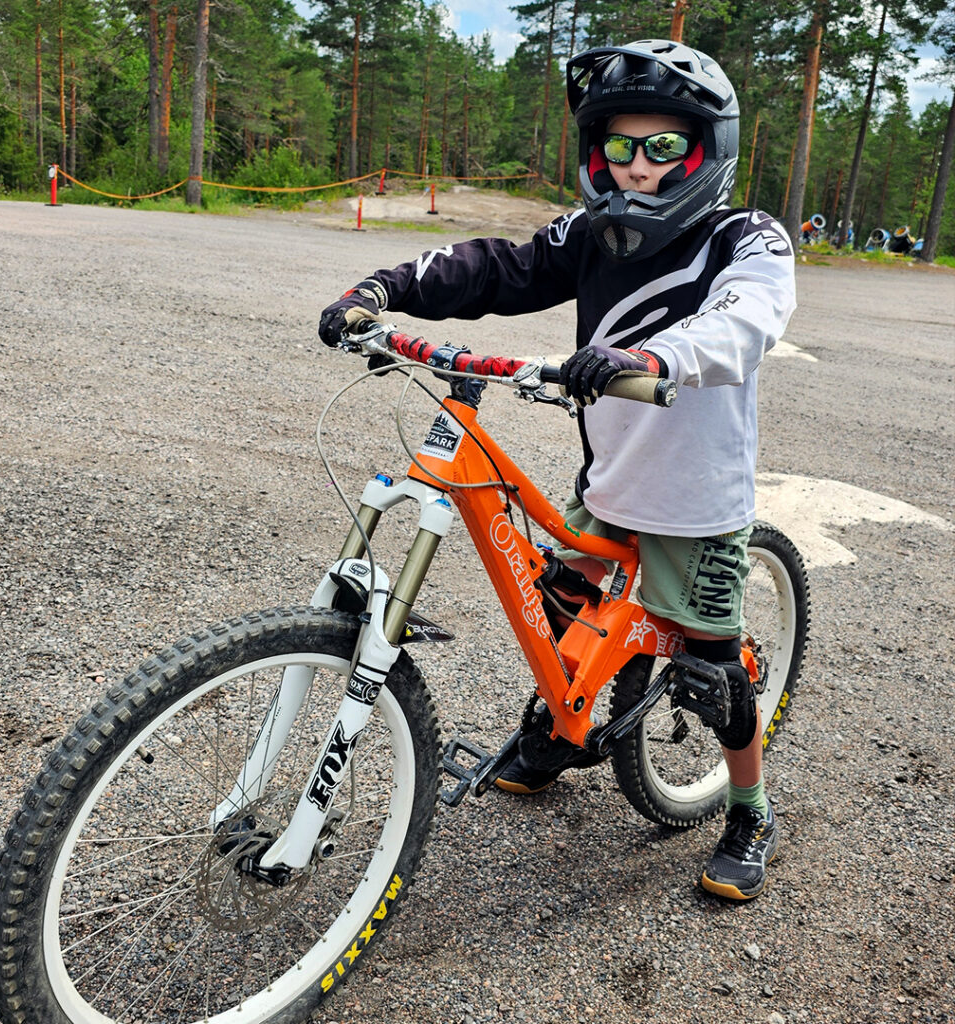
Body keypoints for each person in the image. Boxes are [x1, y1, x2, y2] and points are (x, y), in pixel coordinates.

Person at [318, 39, 796, 901]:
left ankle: (751, 810)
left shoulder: (745, 238)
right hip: (610, 483)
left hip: (696, 504)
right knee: (564, 600)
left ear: (705, 152)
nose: (639, 167)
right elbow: (497, 267)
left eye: (663, 148)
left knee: (713, 672)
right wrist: (381, 291)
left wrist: (643, 356)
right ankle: (565, 727)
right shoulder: (590, 233)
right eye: (621, 146)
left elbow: (747, 321)